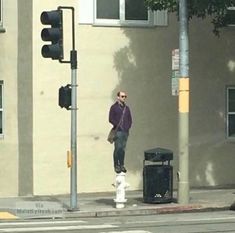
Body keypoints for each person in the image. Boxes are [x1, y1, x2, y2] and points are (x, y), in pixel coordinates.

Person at [109, 91, 132, 173]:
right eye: (122, 96)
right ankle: (116, 165)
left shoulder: (127, 108)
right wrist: (117, 125)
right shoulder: (114, 107)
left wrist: (127, 127)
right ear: (118, 97)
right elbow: (110, 119)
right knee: (117, 148)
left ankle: (122, 164)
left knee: (122, 149)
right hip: (118, 131)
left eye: (125, 96)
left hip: (125, 132)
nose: (124, 98)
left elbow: (130, 119)